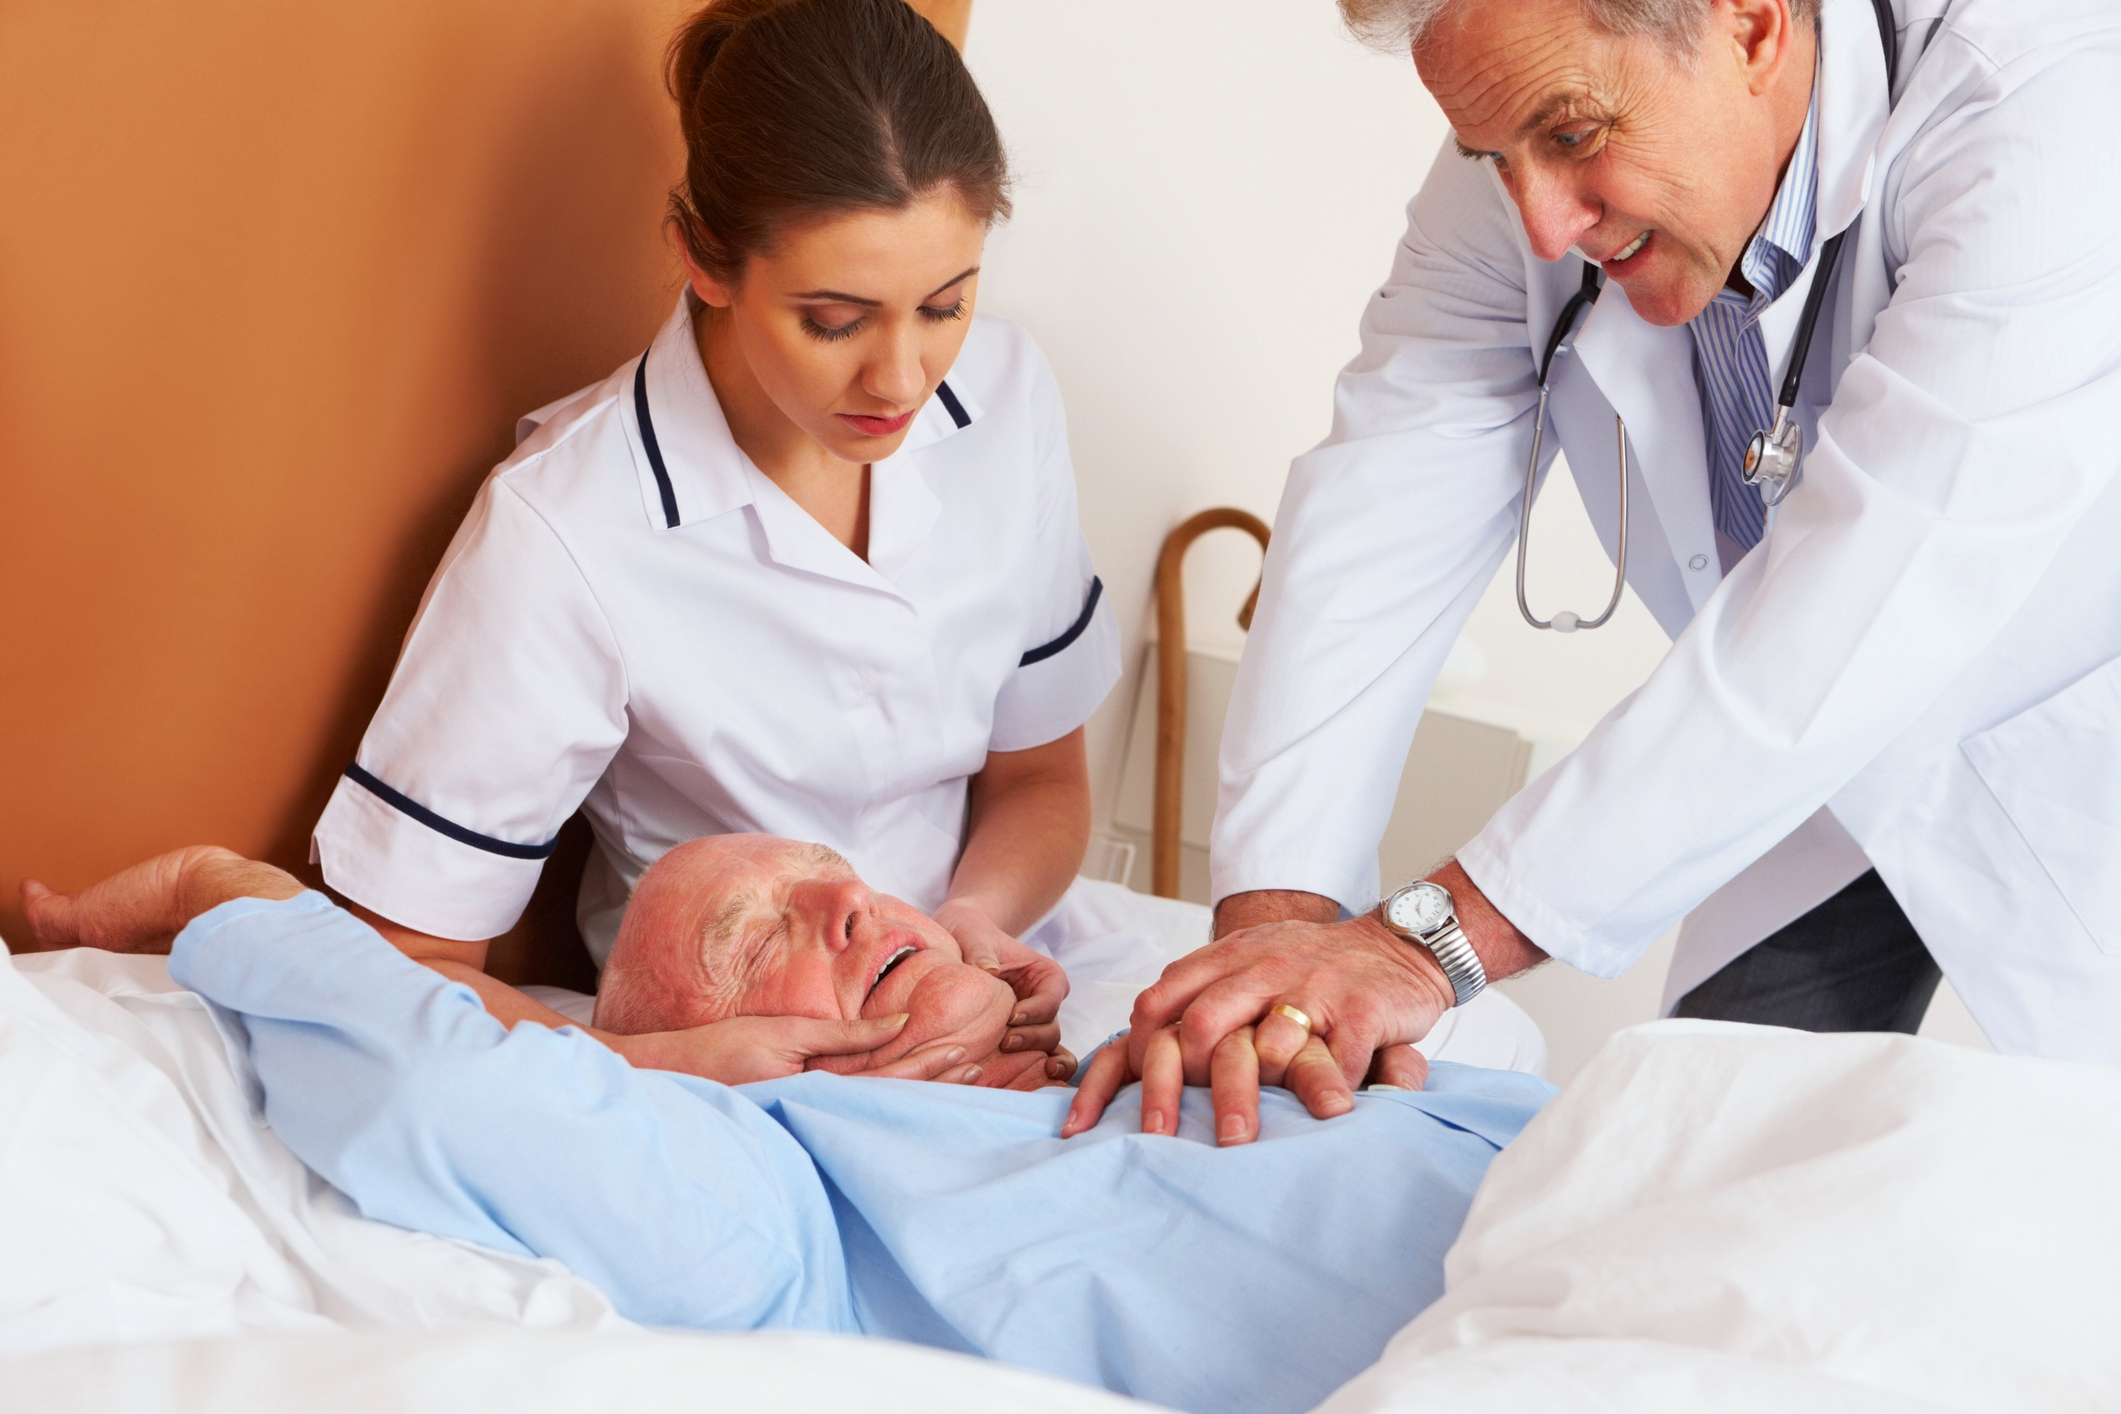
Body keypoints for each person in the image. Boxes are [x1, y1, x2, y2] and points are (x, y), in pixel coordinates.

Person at [1072, 0, 2121, 1137]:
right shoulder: (1525, 138)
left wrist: (1418, 945)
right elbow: (1384, 498)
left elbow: (1875, 593)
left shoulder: (2045, 113)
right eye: (1493, 156)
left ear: (1755, 26)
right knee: (1685, 1173)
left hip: (2065, 730)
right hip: (1794, 770)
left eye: (1573, 138)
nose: (1536, 223)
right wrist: (1274, 936)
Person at [311, 0, 1123, 1080]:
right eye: (834, 320)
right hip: (750, 1066)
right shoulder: (568, 530)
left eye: (945, 304)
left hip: (1002, 982)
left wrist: (972, 926)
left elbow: (1039, 780)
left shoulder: (1008, 395)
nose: (902, 378)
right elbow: (395, 959)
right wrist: (678, 1064)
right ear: (704, 259)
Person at [19, 847, 1552, 1414]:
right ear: (714, 1059)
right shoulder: (793, 1190)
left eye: (843, 879)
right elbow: (448, 1087)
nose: (851, 903)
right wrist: (217, 893)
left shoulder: (1147, 1039)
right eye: (767, 939)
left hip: (1596, 1185)